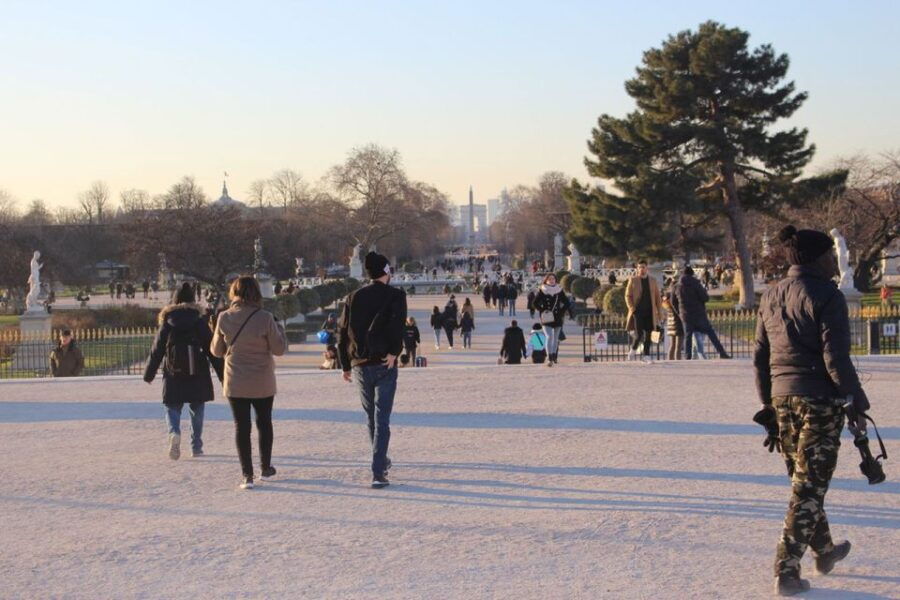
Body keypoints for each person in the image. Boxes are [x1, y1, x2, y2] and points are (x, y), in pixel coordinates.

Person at [753, 225, 871, 596]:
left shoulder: (770, 294)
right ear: (818, 258)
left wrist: (767, 404)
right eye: (829, 256)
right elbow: (834, 357)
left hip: (782, 398)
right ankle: (786, 570)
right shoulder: (827, 295)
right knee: (808, 487)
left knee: (805, 481)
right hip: (818, 398)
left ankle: (824, 551)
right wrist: (855, 398)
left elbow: (759, 359)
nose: (834, 262)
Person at [337, 251, 407, 489]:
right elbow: (398, 326)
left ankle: (381, 460)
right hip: (383, 361)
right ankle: (378, 471)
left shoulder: (353, 296)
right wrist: (395, 352)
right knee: (382, 418)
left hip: (359, 363)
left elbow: (343, 332)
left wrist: (345, 364)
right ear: (386, 272)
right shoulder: (396, 295)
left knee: (371, 417)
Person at [211, 276, 287, 490]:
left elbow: (216, 351)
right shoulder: (265, 318)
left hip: (236, 379)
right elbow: (279, 349)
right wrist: (280, 329)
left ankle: (247, 474)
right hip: (261, 378)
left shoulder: (224, 317)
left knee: (241, 427)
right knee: (264, 423)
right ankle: (265, 467)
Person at [144, 283, 223, 461]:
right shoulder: (199, 321)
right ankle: (196, 446)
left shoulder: (168, 321)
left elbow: (157, 350)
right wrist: (223, 375)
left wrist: (149, 374)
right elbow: (212, 350)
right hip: (198, 372)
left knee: (172, 406)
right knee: (197, 408)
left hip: (174, 372)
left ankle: (174, 432)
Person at [675, 266, 731, 360]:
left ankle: (688, 356)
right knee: (710, 332)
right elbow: (705, 298)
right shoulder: (696, 283)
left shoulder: (678, 286)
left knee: (688, 336)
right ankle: (721, 352)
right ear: (692, 273)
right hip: (698, 313)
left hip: (685, 314)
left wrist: (680, 313)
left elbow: (674, 301)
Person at [625, 260, 663, 364]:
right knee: (639, 334)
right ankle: (633, 350)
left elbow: (657, 298)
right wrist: (632, 308)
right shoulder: (633, 280)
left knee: (649, 334)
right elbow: (627, 296)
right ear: (637, 269)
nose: (642, 269)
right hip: (638, 312)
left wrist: (660, 314)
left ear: (647, 268)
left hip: (650, 312)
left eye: (643, 267)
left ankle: (646, 356)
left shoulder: (653, 280)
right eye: (640, 267)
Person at [532, 274, 572, 367]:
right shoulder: (542, 290)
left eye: (553, 278)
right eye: (549, 279)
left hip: (557, 317)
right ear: (546, 280)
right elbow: (534, 303)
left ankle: (554, 356)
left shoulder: (559, 290)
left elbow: (567, 303)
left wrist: (561, 312)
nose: (551, 280)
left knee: (556, 338)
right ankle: (549, 357)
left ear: (555, 280)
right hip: (547, 317)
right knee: (549, 337)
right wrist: (542, 310)